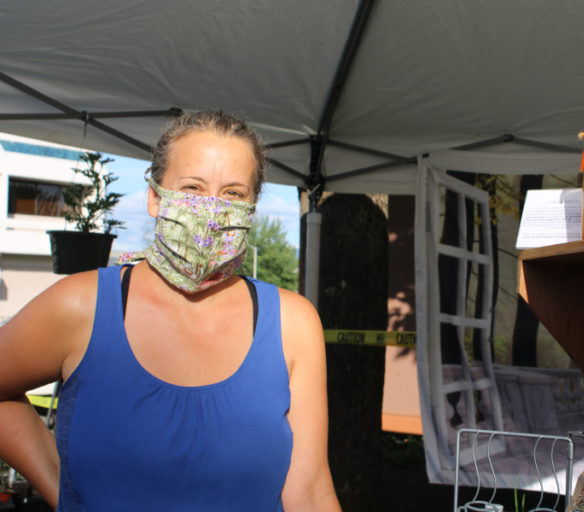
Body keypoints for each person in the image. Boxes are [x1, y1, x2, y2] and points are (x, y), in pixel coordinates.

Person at [0, 111, 341, 511]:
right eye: (193, 188)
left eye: (233, 194)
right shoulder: (82, 305)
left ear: (252, 207)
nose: (211, 211)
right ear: (155, 197)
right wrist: (60, 484)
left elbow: (311, 491)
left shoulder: (292, 322)